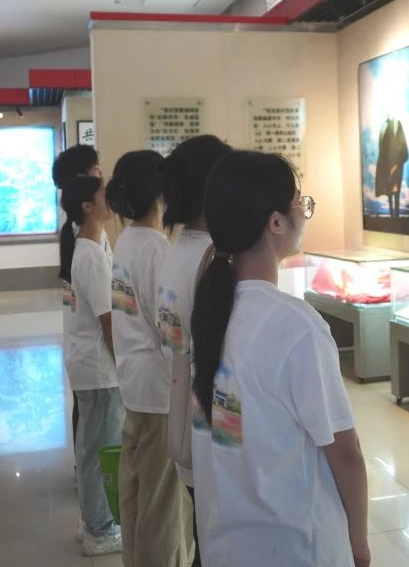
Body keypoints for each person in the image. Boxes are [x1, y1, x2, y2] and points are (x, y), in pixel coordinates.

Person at [190, 151, 369, 567]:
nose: (304, 213)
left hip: (225, 544)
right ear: (275, 222)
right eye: (300, 204)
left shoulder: (211, 312)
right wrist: (359, 545)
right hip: (293, 547)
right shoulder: (296, 325)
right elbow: (345, 453)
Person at [106, 150, 191, 566]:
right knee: (162, 501)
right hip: (158, 388)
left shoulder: (126, 240)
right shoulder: (157, 248)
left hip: (133, 381)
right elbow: (169, 327)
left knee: (137, 491)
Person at [157, 134, 232, 567]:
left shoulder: (178, 250)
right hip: (208, 429)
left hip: (183, 419)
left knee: (203, 536)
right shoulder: (210, 258)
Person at [60, 174, 125, 557]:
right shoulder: (91, 254)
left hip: (90, 364)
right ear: (87, 206)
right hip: (99, 368)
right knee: (101, 449)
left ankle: (92, 521)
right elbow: (108, 321)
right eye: (103, 195)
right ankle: (100, 529)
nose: (109, 199)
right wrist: (125, 368)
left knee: (91, 447)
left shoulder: (89, 248)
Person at [53, 144, 110, 482]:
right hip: (92, 348)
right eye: (96, 169)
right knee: (94, 430)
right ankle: (91, 490)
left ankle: (87, 480)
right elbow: (104, 312)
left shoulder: (82, 233)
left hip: (83, 344)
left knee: (90, 421)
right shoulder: (84, 239)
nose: (101, 174)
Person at [374, 116, 409, 217]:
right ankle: (392, 214)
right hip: (388, 163)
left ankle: (396, 214)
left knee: (396, 189)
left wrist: (398, 161)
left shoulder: (397, 125)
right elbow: (382, 146)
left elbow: (403, 147)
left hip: (397, 163)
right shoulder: (385, 126)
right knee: (390, 189)